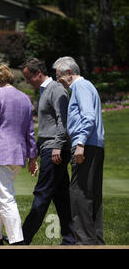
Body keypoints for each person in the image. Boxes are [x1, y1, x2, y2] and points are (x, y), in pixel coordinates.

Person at [0, 63, 37, 245]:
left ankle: (17, 241)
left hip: (1, 153)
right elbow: (30, 131)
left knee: (4, 197)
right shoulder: (25, 98)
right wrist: (32, 156)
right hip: (18, 155)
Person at [21, 58, 75, 245]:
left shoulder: (56, 89)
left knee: (42, 193)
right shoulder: (44, 92)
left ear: (38, 73)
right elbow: (46, 127)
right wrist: (35, 152)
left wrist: (58, 146)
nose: (27, 81)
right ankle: (70, 238)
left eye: (29, 77)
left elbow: (64, 121)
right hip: (49, 148)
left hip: (55, 150)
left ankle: (22, 238)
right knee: (61, 197)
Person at [53, 56, 105, 245]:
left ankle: (85, 241)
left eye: (59, 75)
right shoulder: (87, 86)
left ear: (69, 72)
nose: (57, 79)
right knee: (92, 194)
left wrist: (80, 143)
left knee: (79, 194)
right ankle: (95, 240)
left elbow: (88, 117)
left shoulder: (80, 87)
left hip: (85, 145)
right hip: (95, 146)